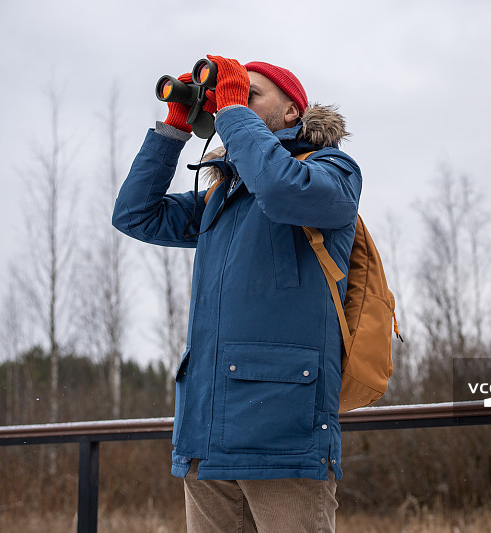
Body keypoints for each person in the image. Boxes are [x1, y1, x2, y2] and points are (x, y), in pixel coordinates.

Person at [112, 54, 362, 532]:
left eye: (249, 95)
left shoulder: (331, 171)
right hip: (206, 434)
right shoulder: (222, 196)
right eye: (230, 95)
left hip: (282, 435)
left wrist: (229, 111)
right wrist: (176, 126)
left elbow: (280, 188)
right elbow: (134, 215)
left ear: (292, 112)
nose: (234, 103)